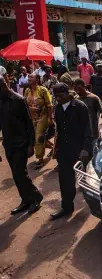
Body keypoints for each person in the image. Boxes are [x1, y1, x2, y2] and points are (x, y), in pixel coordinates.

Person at [0, 76, 44, 215]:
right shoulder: (0, 101)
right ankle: (25, 200)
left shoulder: (19, 100)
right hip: (8, 144)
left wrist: (31, 145)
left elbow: (29, 123)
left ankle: (36, 197)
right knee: (15, 174)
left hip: (21, 144)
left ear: (3, 86)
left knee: (20, 173)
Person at [51, 83, 93, 220]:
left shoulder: (80, 107)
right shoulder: (57, 109)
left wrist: (86, 149)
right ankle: (67, 207)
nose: (57, 98)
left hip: (79, 150)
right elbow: (58, 130)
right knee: (65, 180)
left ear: (67, 93)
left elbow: (88, 130)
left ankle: (91, 206)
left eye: (60, 95)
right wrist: (56, 148)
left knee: (84, 180)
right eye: (55, 96)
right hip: (64, 150)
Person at [24, 73, 54, 169]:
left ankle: (40, 159)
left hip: (43, 117)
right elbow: (24, 104)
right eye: (28, 77)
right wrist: (30, 109)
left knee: (38, 138)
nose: (29, 78)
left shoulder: (43, 90)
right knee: (38, 138)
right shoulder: (27, 90)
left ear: (37, 79)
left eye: (31, 77)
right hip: (32, 119)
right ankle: (54, 147)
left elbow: (49, 105)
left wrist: (50, 119)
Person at [74, 79, 102, 156]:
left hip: (93, 133)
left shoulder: (94, 98)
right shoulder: (76, 100)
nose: (77, 91)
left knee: (93, 154)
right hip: (81, 134)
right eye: (75, 89)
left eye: (79, 89)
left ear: (84, 87)